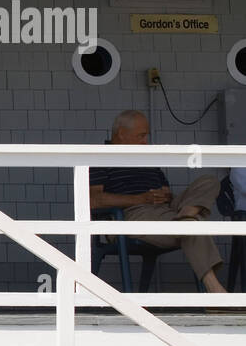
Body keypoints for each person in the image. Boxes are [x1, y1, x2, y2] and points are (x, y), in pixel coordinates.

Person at [88, 110, 226, 294]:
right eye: (141, 136)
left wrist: (165, 195)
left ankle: (186, 216)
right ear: (121, 133)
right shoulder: (100, 158)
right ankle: (215, 290)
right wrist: (141, 198)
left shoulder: (147, 158)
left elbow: (165, 189)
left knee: (209, 181)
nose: (146, 141)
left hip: (166, 210)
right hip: (132, 215)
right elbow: (94, 200)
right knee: (192, 226)